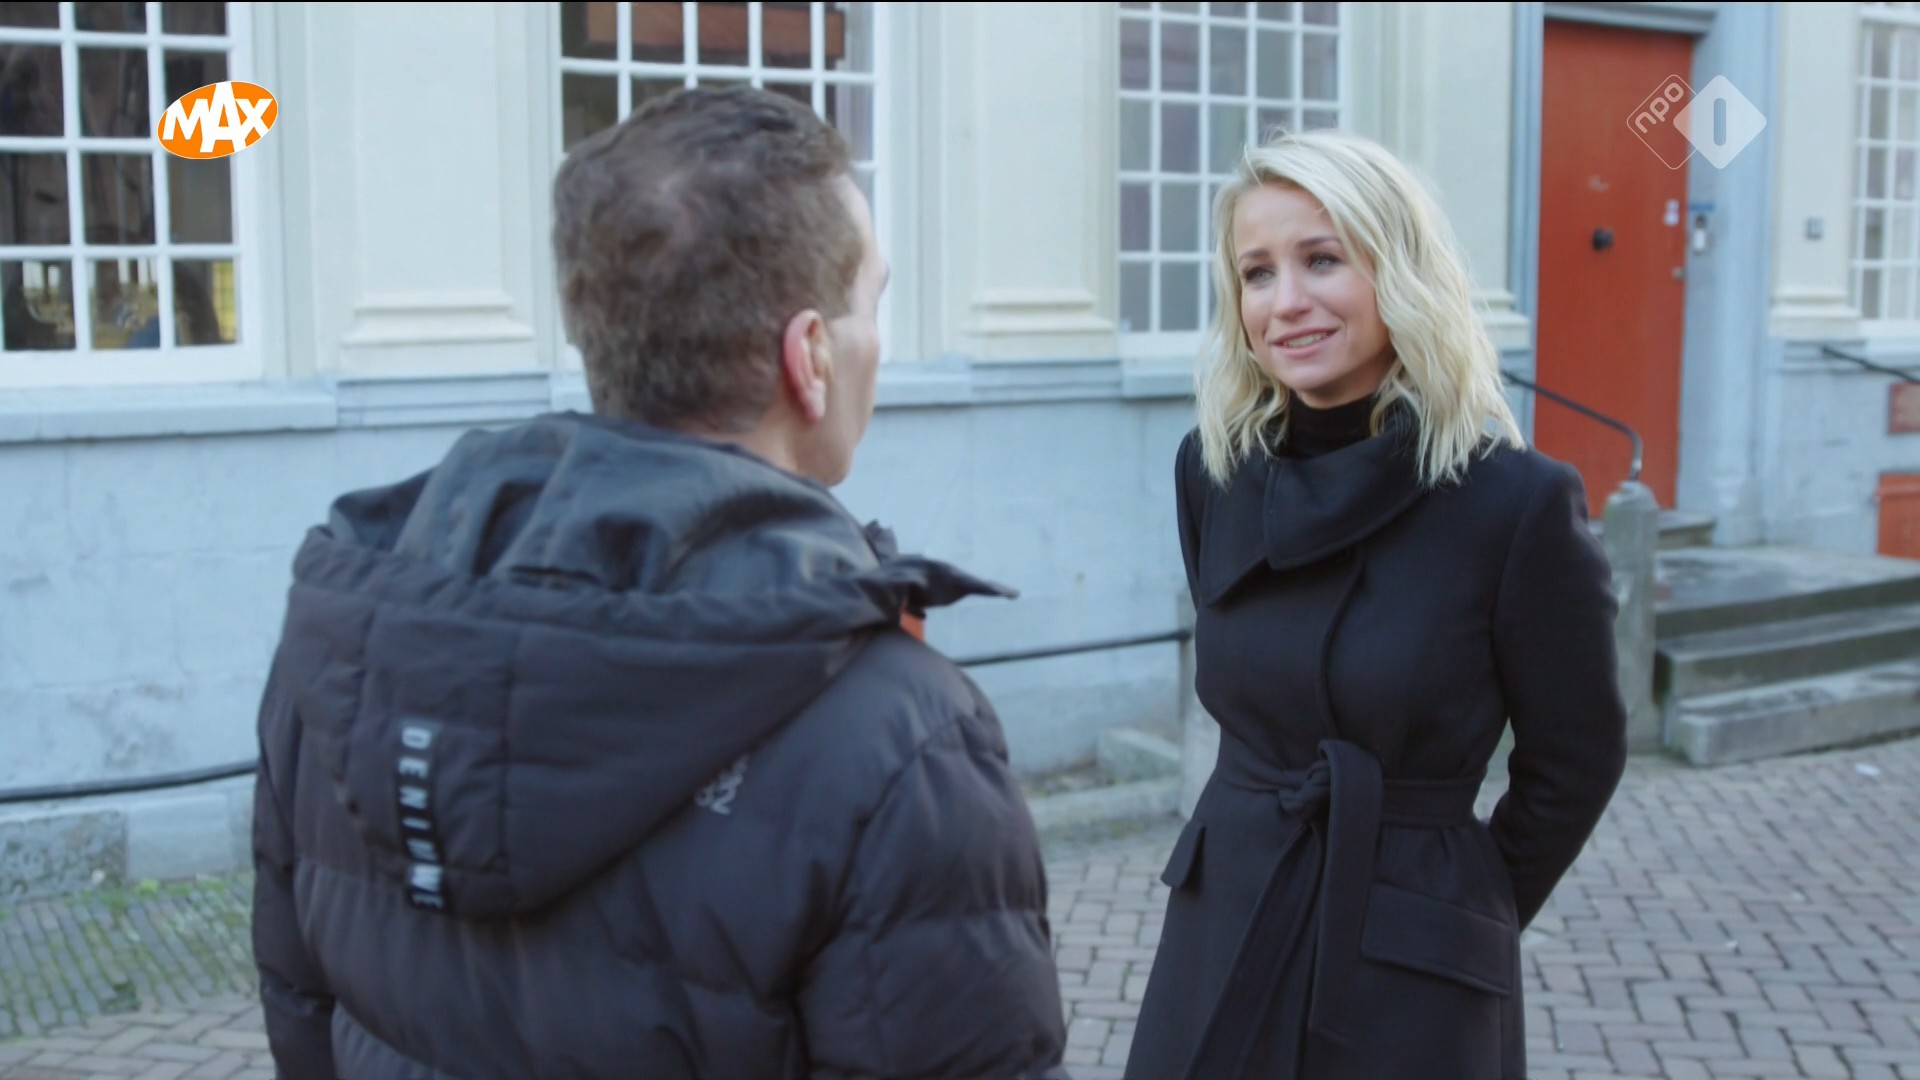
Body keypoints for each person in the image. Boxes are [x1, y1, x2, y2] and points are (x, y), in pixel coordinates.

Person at [249, 86, 1068, 1080]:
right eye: (873, 301)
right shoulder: (904, 744)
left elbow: (303, 1017)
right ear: (809, 356)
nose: (879, 343)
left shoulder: (347, 651)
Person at [1126, 129, 1629, 1079]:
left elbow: (1577, 758)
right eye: (1257, 272)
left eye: (1322, 260)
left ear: (1400, 273)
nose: (1286, 301)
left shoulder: (1514, 503)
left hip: (1411, 955)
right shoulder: (1214, 472)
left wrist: (1463, 908)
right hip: (1225, 916)